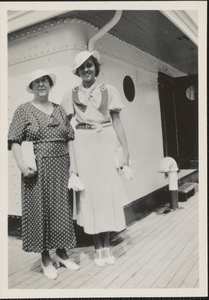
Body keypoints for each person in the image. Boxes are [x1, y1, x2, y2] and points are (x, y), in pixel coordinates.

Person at [8, 69, 79, 280]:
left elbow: (69, 138)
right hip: (36, 168)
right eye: (36, 82)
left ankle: (62, 253)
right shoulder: (24, 110)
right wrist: (21, 164)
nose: (41, 85)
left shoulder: (59, 110)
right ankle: (45, 257)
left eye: (44, 81)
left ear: (50, 85)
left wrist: (73, 165)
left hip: (61, 166)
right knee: (40, 210)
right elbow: (14, 140)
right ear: (31, 86)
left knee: (62, 210)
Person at [61, 50, 130, 267]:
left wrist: (126, 151)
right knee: (89, 195)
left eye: (89, 65)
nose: (86, 70)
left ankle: (106, 245)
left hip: (105, 143)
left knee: (105, 193)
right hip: (84, 145)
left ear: (95, 67)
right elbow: (67, 129)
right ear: (77, 71)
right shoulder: (70, 93)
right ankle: (96, 246)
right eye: (82, 67)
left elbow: (117, 122)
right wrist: (72, 161)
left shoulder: (108, 90)